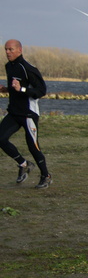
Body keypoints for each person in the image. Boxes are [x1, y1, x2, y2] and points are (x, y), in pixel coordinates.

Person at [0, 39, 52, 188]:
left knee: (33, 147)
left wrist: (21, 90)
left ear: (19, 50)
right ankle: (24, 164)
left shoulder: (27, 68)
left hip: (29, 114)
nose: (7, 52)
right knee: (1, 139)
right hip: (14, 112)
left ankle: (46, 176)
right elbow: (15, 86)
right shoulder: (9, 66)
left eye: (10, 49)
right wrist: (6, 90)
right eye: (6, 49)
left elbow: (41, 91)